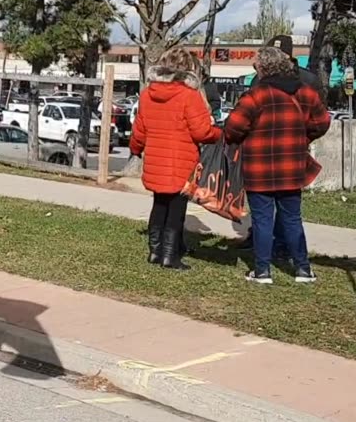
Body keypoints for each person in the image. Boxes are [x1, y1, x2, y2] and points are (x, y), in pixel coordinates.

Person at [224, 46, 331, 284]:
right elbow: (323, 122)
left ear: (262, 68)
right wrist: (304, 137)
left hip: (258, 167)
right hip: (292, 166)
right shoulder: (305, 93)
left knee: (262, 220)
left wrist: (243, 138)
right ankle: (303, 269)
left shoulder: (255, 95)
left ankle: (262, 271)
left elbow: (234, 127)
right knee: (292, 218)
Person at [130, 48, 220, 271]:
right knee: (176, 210)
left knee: (159, 205)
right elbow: (201, 132)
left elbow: (139, 130)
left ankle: (155, 251)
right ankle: (170, 256)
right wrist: (219, 134)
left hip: (155, 159)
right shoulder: (189, 95)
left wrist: (135, 148)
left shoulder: (147, 94)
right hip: (182, 160)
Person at [236, 34, 321, 257]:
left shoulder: (308, 81)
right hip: (266, 152)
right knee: (265, 214)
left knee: (287, 213)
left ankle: (281, 252)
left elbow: (320, 119)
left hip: (287, 151)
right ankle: (276, 256)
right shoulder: (257, 81)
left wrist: (302, 138)